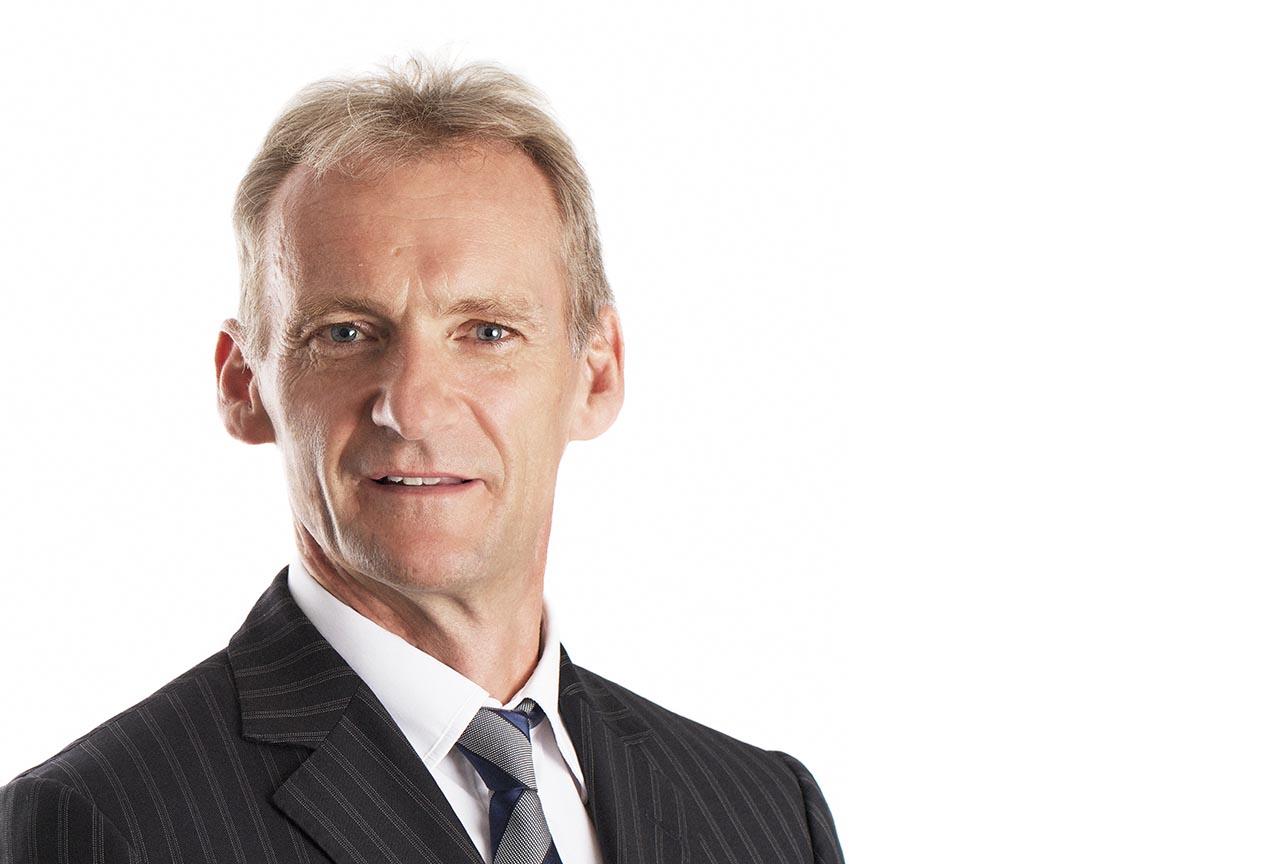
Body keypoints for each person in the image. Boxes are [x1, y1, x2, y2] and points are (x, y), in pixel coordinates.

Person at [0, 59, 844, 863]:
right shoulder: (104, 823)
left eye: (487, 332)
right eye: (345, 333)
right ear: (244, 384)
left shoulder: (768, 815)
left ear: (597, 373)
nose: (410, 406)